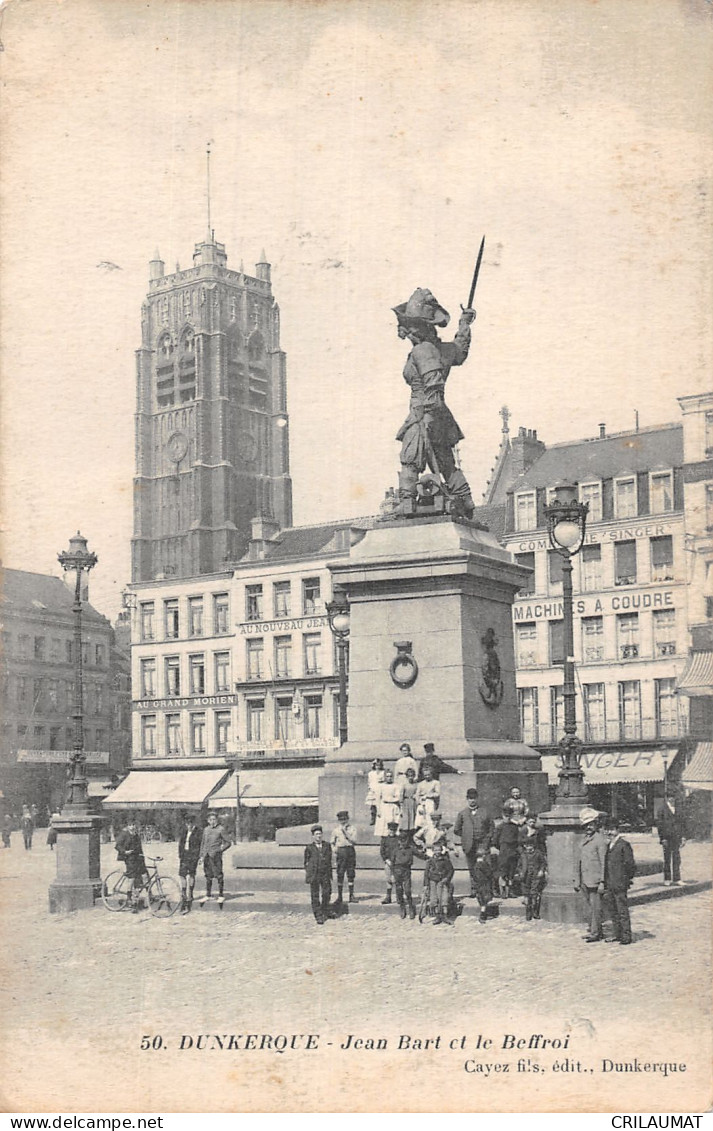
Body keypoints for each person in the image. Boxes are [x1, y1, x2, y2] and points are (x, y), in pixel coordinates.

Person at [392, 288, 477, 518]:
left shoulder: (423, 350)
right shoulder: (440, 349)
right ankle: (465, 499)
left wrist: (426, 418)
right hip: (438, 415)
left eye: (409, 326)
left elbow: (434, 383)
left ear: (419, 327)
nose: (406, 331)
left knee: (411, 459)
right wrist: (464, 325)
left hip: (424, 413)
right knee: (445, 462)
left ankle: (406, 502)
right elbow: (459, 352)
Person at [453, 788, 494, 899]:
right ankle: (474, 889)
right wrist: (466, 836)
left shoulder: (485, 812)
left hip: (482, 844)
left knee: (485, 866)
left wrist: (487, 840)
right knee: (472, 868)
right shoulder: (462, 813)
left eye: (474, 798)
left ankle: (487, 891)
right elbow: (456, 829)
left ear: (477, 798)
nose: (472, 801)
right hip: (469, 845)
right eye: (470, 798)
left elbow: (491, 827)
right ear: (467, 799)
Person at [575, 808, 608, 942]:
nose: (588, 827)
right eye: (586, 825)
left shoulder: (599, 840)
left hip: (595, 880)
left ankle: (596, 933)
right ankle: (593, 929)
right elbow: (578, 861)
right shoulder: (583, 840)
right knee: (588, 906)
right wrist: (576, 879)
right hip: (584, 879)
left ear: (596, 824)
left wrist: (602, 881)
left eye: (591, 824)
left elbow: (603, 862)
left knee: (596, 907)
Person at [603, 817, 636, 945]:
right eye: (607, 830)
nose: (609, 832)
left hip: (620, 883)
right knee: (613, 910)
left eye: (611, 830)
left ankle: (626, 936)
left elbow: (630, 865)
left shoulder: (624, 845)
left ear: (617, 830)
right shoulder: (609, 845)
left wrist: (626, 879)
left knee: (622, 910)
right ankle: (617, 934)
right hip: (610, 883)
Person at [199, 811, 232, 908]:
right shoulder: (206, 829)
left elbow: (228, 842)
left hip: (216, 856)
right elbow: (203, 843)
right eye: (210, 820)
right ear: (208, 821)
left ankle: (221, 895)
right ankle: (208, 895)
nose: (212, 821)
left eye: (214, 819)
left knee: (218, 875)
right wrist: (201, 856)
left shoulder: (221, 829)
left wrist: (220, 850)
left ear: (217, 820)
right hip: (206, 856)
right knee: (208, 875)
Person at [115, 819, 148, 912]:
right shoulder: (124, 834)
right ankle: (129, 899)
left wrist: (143, 858)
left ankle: (137, 900)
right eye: (130, 825)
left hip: (137, 858)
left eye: (133, 825)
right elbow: (117, 846)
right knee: (132, 878)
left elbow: (140, 848)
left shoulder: (136, 835)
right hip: (128, 858)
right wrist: (125, 852)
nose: (132, 827)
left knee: (144, 876)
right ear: (127, 826)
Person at [304, 824, 333, 925]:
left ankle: (325, 910)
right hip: (315, 875)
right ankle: (318, 915)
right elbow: (306, 862)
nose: (319, 836)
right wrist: (310, 873)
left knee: (327, 893)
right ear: (313, 836)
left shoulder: (327, 845)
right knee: (315, 895)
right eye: (316, 834)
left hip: (325, 873)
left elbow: (329, 859)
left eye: (320, 834)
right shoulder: (309, 848)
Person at [423, 837, 455, 925]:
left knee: (444, 898)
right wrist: (425, 885)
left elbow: (451, 870)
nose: (437, 852)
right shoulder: (430, 861)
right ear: (433, 851)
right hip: (433, 881)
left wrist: (447, 879)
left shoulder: (445, 860)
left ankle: (445, 915)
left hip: (442, 881)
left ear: (442, 850)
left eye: (439, 850)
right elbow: (426, 873)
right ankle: (437, 915)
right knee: (434, 898)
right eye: (435, 850)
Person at [657, 789, 686, 886]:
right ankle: (667, 878)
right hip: (666, 837)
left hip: (676, 837)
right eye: (669, 797)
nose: (672, 799)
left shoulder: (678, 808)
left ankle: (677, 878)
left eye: (673, 797)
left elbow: (682, 823)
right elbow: (660, 825)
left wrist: (683, 837)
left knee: (677, 858)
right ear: (666, 798)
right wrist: (662, 838)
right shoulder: (662, 809)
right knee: (667, 858)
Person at [515, 839, 547, 921]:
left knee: (534, 893)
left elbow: (543, 863)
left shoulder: (538, 854)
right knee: (526, 894)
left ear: (533, 846)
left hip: (535, 876)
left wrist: (541, 871)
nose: (528, 847)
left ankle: (535, 912)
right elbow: (519, 866)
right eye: (526, 846)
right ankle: (528, 913)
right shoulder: (523, 855)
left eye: (530, 845)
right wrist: (520, 872)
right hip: (525, 877)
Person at [177, 812, 202, 914]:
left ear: (193, 823)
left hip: (193, 857)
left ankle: (190, 893)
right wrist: (180, 854)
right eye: (187, 823)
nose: (189, 825)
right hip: (184, 856)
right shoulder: (184, 831)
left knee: (191, 875)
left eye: (191, 823)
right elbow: (180, 843)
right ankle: (184, 894)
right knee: (182, 875)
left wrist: (198, 856)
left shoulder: (198, 832)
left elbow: (200, 845)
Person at [389, 829, 417, 920]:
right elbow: (392, 863)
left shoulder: (410, 849)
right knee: (399, 890)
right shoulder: (395, 850)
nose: (403, 842)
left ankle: (411, 907)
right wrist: (392, 875)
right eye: (401, 840)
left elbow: (420, 855)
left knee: (408, 890)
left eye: (405, 840)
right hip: (397, 871)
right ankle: (402, 907)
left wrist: (429, 858)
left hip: (406, 871)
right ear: (398, 841)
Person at [331, 809, 358, 904]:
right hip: (341, 851)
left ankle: (351, 895)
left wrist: (346, 833)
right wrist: (335, 850)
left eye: (345, 819)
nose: (343, 821)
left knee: (351, 873)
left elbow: (355, 841)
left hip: (350, 850)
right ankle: (340, 896)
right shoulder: (335, 830)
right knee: (340, 873)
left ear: (348, 819)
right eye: (341, 820)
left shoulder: (352, 829)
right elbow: (332, 842)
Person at [494, 815, 521, 898]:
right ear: (502, 816)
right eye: (506, 816)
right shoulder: (500, 827)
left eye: (509, 816)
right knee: (503, 872)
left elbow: (518, 839)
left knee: (511, 872)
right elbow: (495, 841)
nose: (508, 818)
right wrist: (502, 848)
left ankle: (510, 891)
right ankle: (502, 891)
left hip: (513, 851)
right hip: (504, 851)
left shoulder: (514, 827)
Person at [374, 769, 401, 837]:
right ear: (385, 777)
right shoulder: (381, 786)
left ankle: (392, 838)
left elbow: (398, 797)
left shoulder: (396, 786)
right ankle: (384, 840)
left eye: (390, 776)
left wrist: (391, 800)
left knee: (392, 822)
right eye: (387, 776)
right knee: (384, 823)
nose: (389, 778)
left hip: (393, 806)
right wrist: (378, 810)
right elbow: (378, 799)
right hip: (384, 807)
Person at [380, 820, 401, 904]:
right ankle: (388, 897)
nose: (392, 831)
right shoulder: (384, 840)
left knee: (397, 879)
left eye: (393, 830)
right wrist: (386, 860)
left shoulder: (398, 839)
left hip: (397, 863)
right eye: (390, 830)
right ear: (388, 830)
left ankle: (399, 897)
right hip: (388, 862)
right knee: (388, 879)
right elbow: (382, 851)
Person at [414, 764, 440, 828]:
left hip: (430, 802)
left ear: (432, 774)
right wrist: (419, 804)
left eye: (429, 775)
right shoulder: (421, 783)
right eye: (425, 775)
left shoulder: (436, 783)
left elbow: (437, 793)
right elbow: (417, 794)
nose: (427, 776)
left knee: (430, 820)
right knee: (420, 820)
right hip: (421, 802)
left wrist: (428, 796)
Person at [398, 767, 418, 836]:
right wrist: (401, 805)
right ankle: (405, 837)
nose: (410, 778)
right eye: (409, 776)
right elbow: (401, 795)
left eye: (412, 776)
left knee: (413, 819)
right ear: (406, 776)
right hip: (406, 803)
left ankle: (412, 836)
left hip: (413, 803)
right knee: (406, 820)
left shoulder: (416, 785)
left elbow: (417, 793)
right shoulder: (404, 785)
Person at [365, 759, 385, 827]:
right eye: (376, 765)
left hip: (380, 789)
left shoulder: (383, 772)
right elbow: (369, 782)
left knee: (380, 805)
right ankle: (373, 818)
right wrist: (370, 788)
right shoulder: (371, 773)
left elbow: (384, 782)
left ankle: (380, 819)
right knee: (373, 806)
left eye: (379, 765)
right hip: (373, 790)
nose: (377, 766)